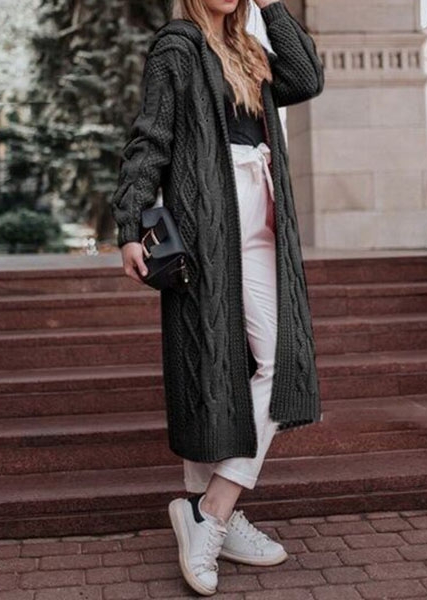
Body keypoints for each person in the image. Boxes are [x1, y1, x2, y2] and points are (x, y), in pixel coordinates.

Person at [111, 0, 324, 595]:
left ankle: (210, 510)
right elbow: (151, 136)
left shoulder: (251, 46)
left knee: (280, 359)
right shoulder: (178, 45)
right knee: (213, 363)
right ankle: (216, 514)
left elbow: (307, 78)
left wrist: (272, 6)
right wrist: (130, 222)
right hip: (209, 217)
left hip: (263, 213)